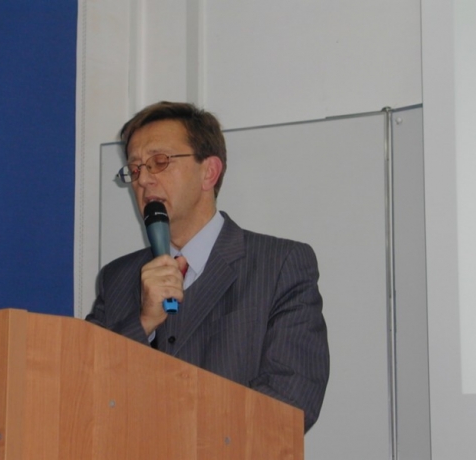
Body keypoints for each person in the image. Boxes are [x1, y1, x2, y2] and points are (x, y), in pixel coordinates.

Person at [86, 101, 329, 432]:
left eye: (159, 162)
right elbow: (83, 385)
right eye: (136, 169)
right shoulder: (116, 278)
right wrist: (143, 322)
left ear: (209, 172)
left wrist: (185, 442)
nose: (144, 180)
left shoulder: (279, 265)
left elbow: (290, 401)